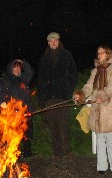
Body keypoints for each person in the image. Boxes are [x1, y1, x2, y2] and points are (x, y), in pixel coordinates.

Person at [73, 45, 112, 174]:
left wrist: (104, 95)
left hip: (109, 108)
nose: (99, 55)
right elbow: (89, 86)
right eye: (98, 53)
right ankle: (101, 166)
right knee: (99, 137)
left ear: (108, 54)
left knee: (110, 137)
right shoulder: (95, 71)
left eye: (102, 52)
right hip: (97, 108)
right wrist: (81, 94)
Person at [38, 32, 77, 160]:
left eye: (55, 40)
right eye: (51, 41)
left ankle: (67, 150)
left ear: (59, 41)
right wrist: (42, 99)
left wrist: (68, 90)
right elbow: (41, 80)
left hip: (63, 96)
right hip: (50, 97)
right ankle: (57, 151)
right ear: (48, 43)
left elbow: (73, 75)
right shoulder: (44, 59)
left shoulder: (66, 55)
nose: (53, 43)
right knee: (53, 124)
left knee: (63, 124)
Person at [0, 59, 34, 158]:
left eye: (19, 67)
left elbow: (30, 72)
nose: (17, 70)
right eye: (15, 68)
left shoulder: (24, 79)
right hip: (13, 113)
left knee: (27, 132)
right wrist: (1, 102)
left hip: (25, 111)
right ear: (10, 69)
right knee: (13, 134)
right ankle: (14, 155)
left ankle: (27, 153)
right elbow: (0, 93)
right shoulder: (6, 80)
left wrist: (23, 62)